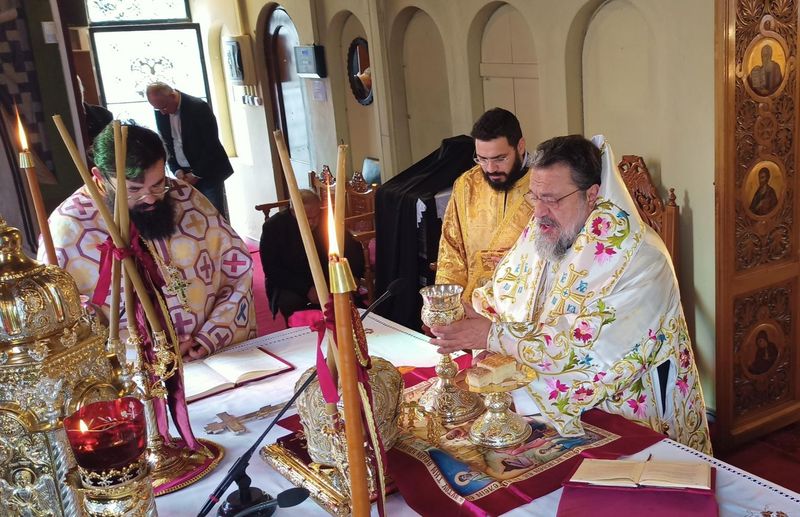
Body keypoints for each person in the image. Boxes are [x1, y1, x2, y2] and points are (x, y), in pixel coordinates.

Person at [429, 135, 712, 454]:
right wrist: (476, 314)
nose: (539, 212)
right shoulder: (543, 233)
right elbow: (503, 294)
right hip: (537, 409)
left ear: (591, 195)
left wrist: (494, 336)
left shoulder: (642, 261)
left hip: (626, 421)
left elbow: (592, 353)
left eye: (552, 199)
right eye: (534, 197)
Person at [40, 123, 256, 362]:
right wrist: (148, 353)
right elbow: (62, 322)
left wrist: (210, 337)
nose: (151, 199)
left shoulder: (187, 199)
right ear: (100, 177)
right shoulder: (67, 229)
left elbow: (237, 271)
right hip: (132, 373)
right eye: (134, 189)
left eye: (158, 184)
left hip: (211, 357)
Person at [436, 108, 533, 301]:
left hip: (522, 304)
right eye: (482, 159)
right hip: (471, 305)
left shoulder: (543, 186)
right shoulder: (467, 185)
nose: (490, 169)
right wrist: (449, 305)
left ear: (520, 146)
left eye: (500, 159)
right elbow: (451, 251)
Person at [259, 189, 365, 319]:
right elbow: (272, 269)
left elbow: (352, 250)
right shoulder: (273, 227)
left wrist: (353, 276)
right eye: (306, 218)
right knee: (290, 302)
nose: (312, 222)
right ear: (293, 212)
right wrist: (306, 289)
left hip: (329, 277)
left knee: (350, 307)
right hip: (293, 283)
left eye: (315, 217)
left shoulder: (328, 220)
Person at [146, 82, 233, 216]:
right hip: (183, 173)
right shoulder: (161, 110)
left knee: (214, 214)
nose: (162, 112)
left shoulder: (198, 107)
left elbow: (211, 145)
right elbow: (167, 143)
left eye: (163, 107)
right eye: (157, 109)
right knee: (191, 214)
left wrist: (196, 174)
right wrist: (176, 170)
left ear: (172, 96)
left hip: (207, 172)